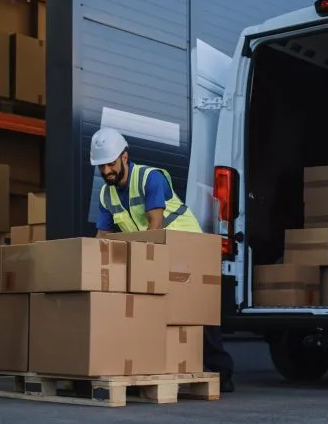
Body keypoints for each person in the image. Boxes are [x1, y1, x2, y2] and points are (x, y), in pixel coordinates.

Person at [90, 127, 236, 393]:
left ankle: (220, 372)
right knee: (152, 311)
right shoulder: (106, 195)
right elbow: (102, 237)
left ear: (124, 157)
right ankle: (149, 368)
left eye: (110, 164)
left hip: (189, 249)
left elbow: (155, 226)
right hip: (157, 251)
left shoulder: (150, 178)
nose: (106, 172)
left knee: (199, 313)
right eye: (101, 167)